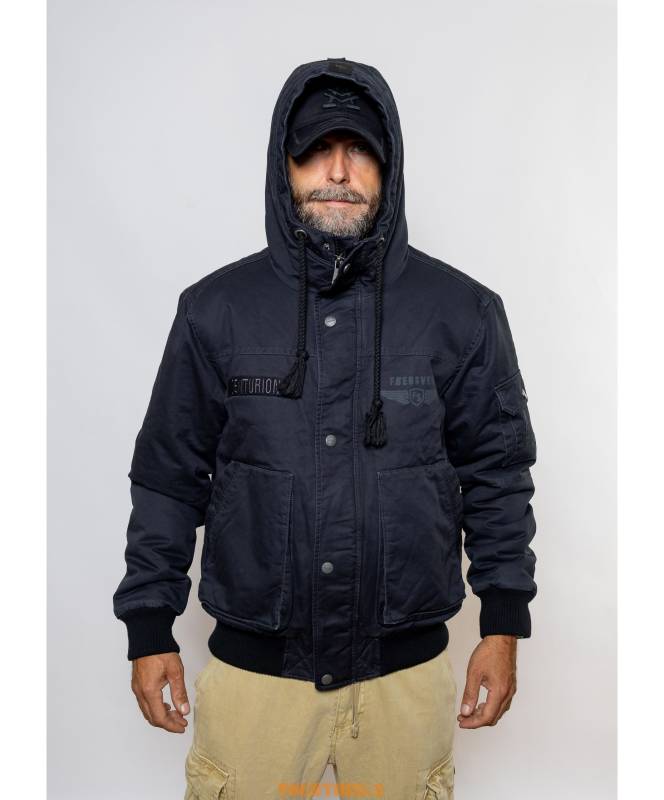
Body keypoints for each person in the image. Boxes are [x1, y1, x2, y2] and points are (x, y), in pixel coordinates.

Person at [113, 57, 538, 799]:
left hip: (405, 680)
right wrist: (150, 626)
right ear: (283, 166)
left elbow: (497, 475)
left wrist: (502, 623)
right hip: (258, 681)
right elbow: (168, 478)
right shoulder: (215, 311)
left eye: (360, 150)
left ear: (389, 167)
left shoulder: (462, 313)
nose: (338, 172)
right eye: (316, 150)